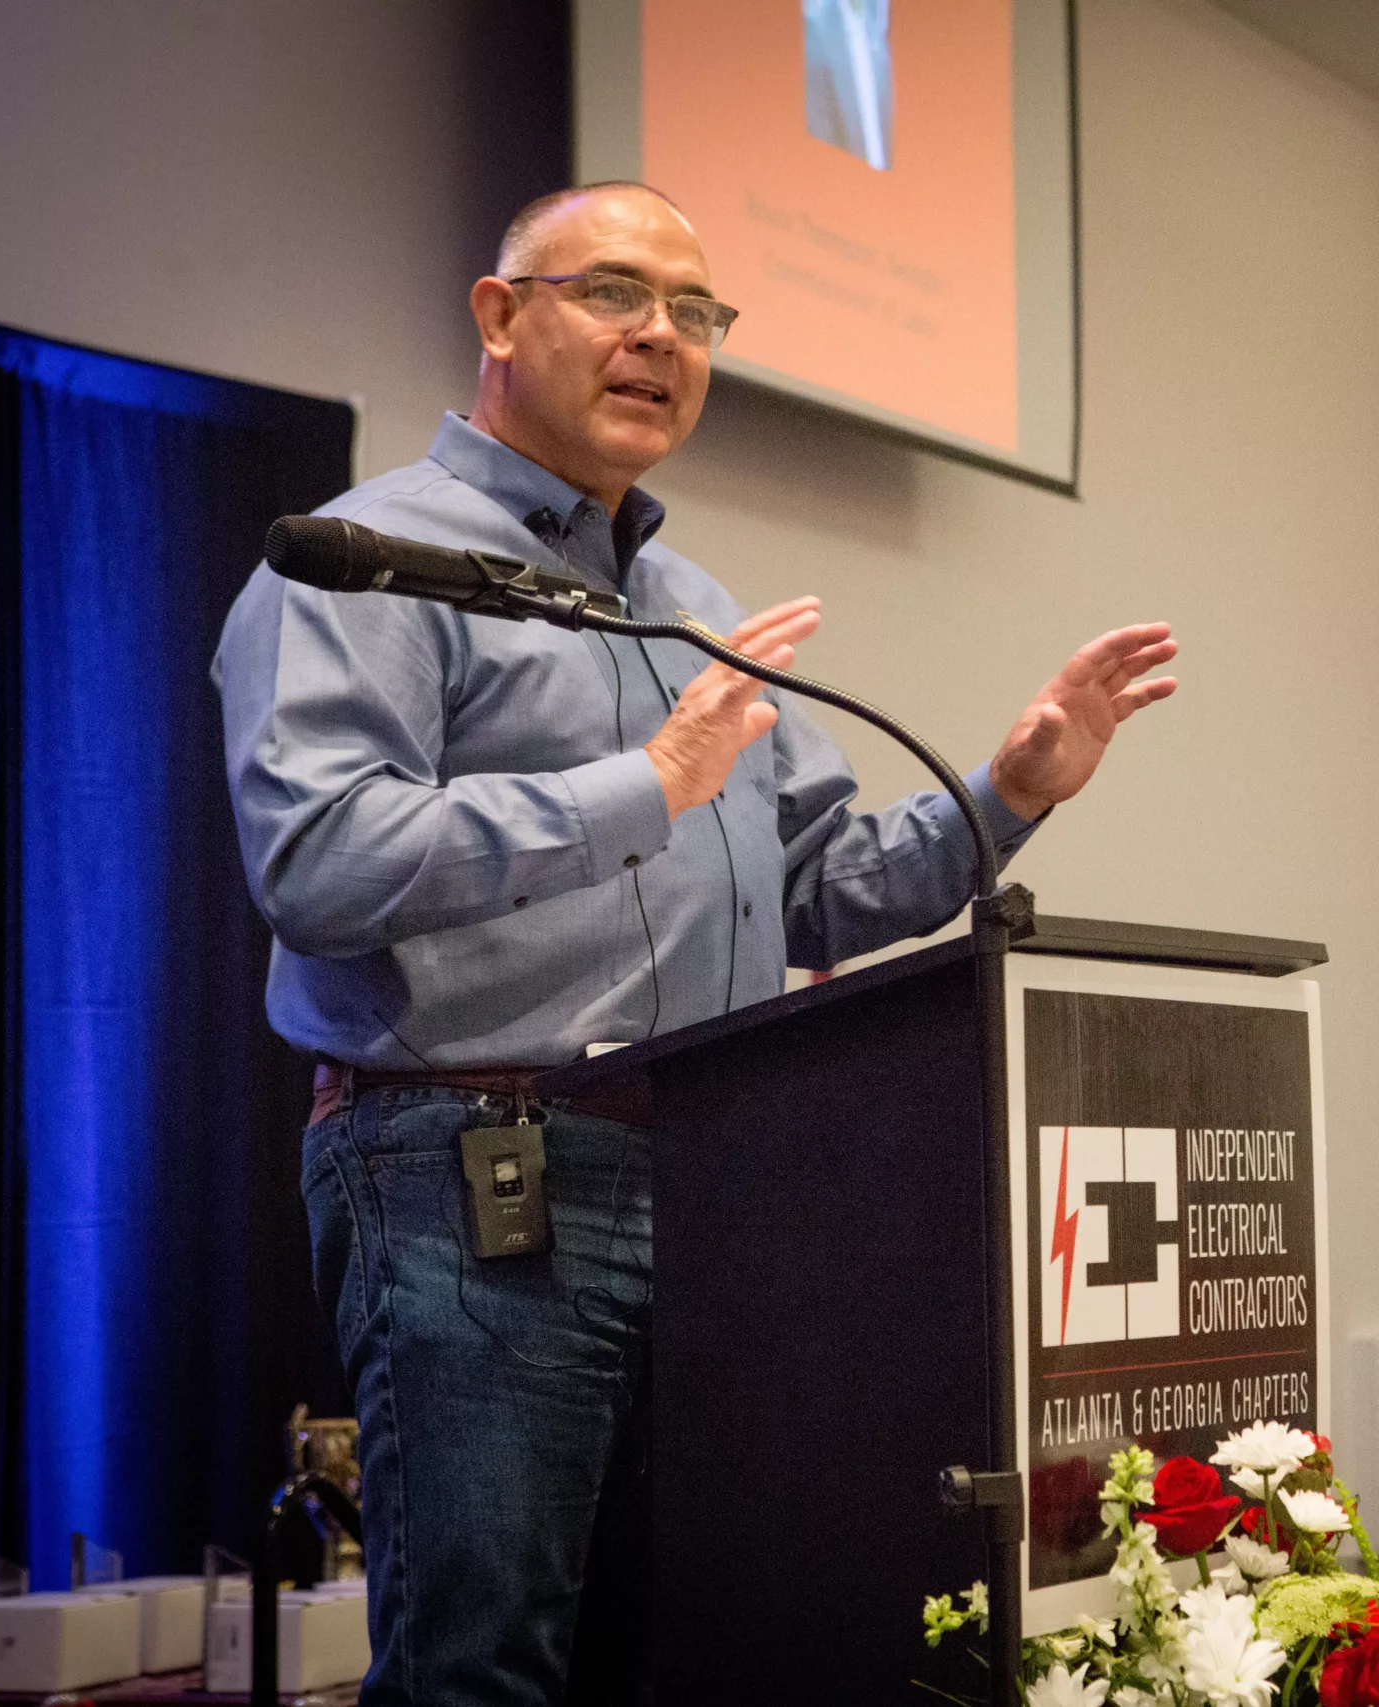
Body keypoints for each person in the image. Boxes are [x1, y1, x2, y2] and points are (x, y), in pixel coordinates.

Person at [212, 180, 1175, 1707]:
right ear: (498, 315)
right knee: (482, 1664)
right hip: (476, 1168)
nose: (660, 335)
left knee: (678, 1652)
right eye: (613, 292)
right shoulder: (359, 558)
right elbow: (318, 862)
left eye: (697, 313)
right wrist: (643, 786)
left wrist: (1010, 791)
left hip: (722, 1185)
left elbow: (813, 895)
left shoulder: (693, 609)